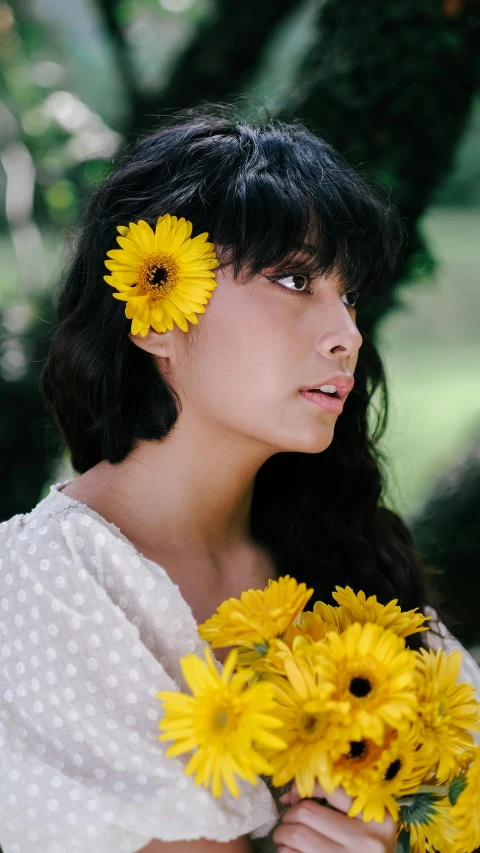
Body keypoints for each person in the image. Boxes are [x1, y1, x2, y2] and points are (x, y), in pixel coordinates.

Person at [0, 106, 479, 853]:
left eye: (349, 295)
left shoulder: (346, 561)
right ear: (155, 309)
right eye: (294, 278)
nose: (347, 333)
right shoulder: (43, 588)